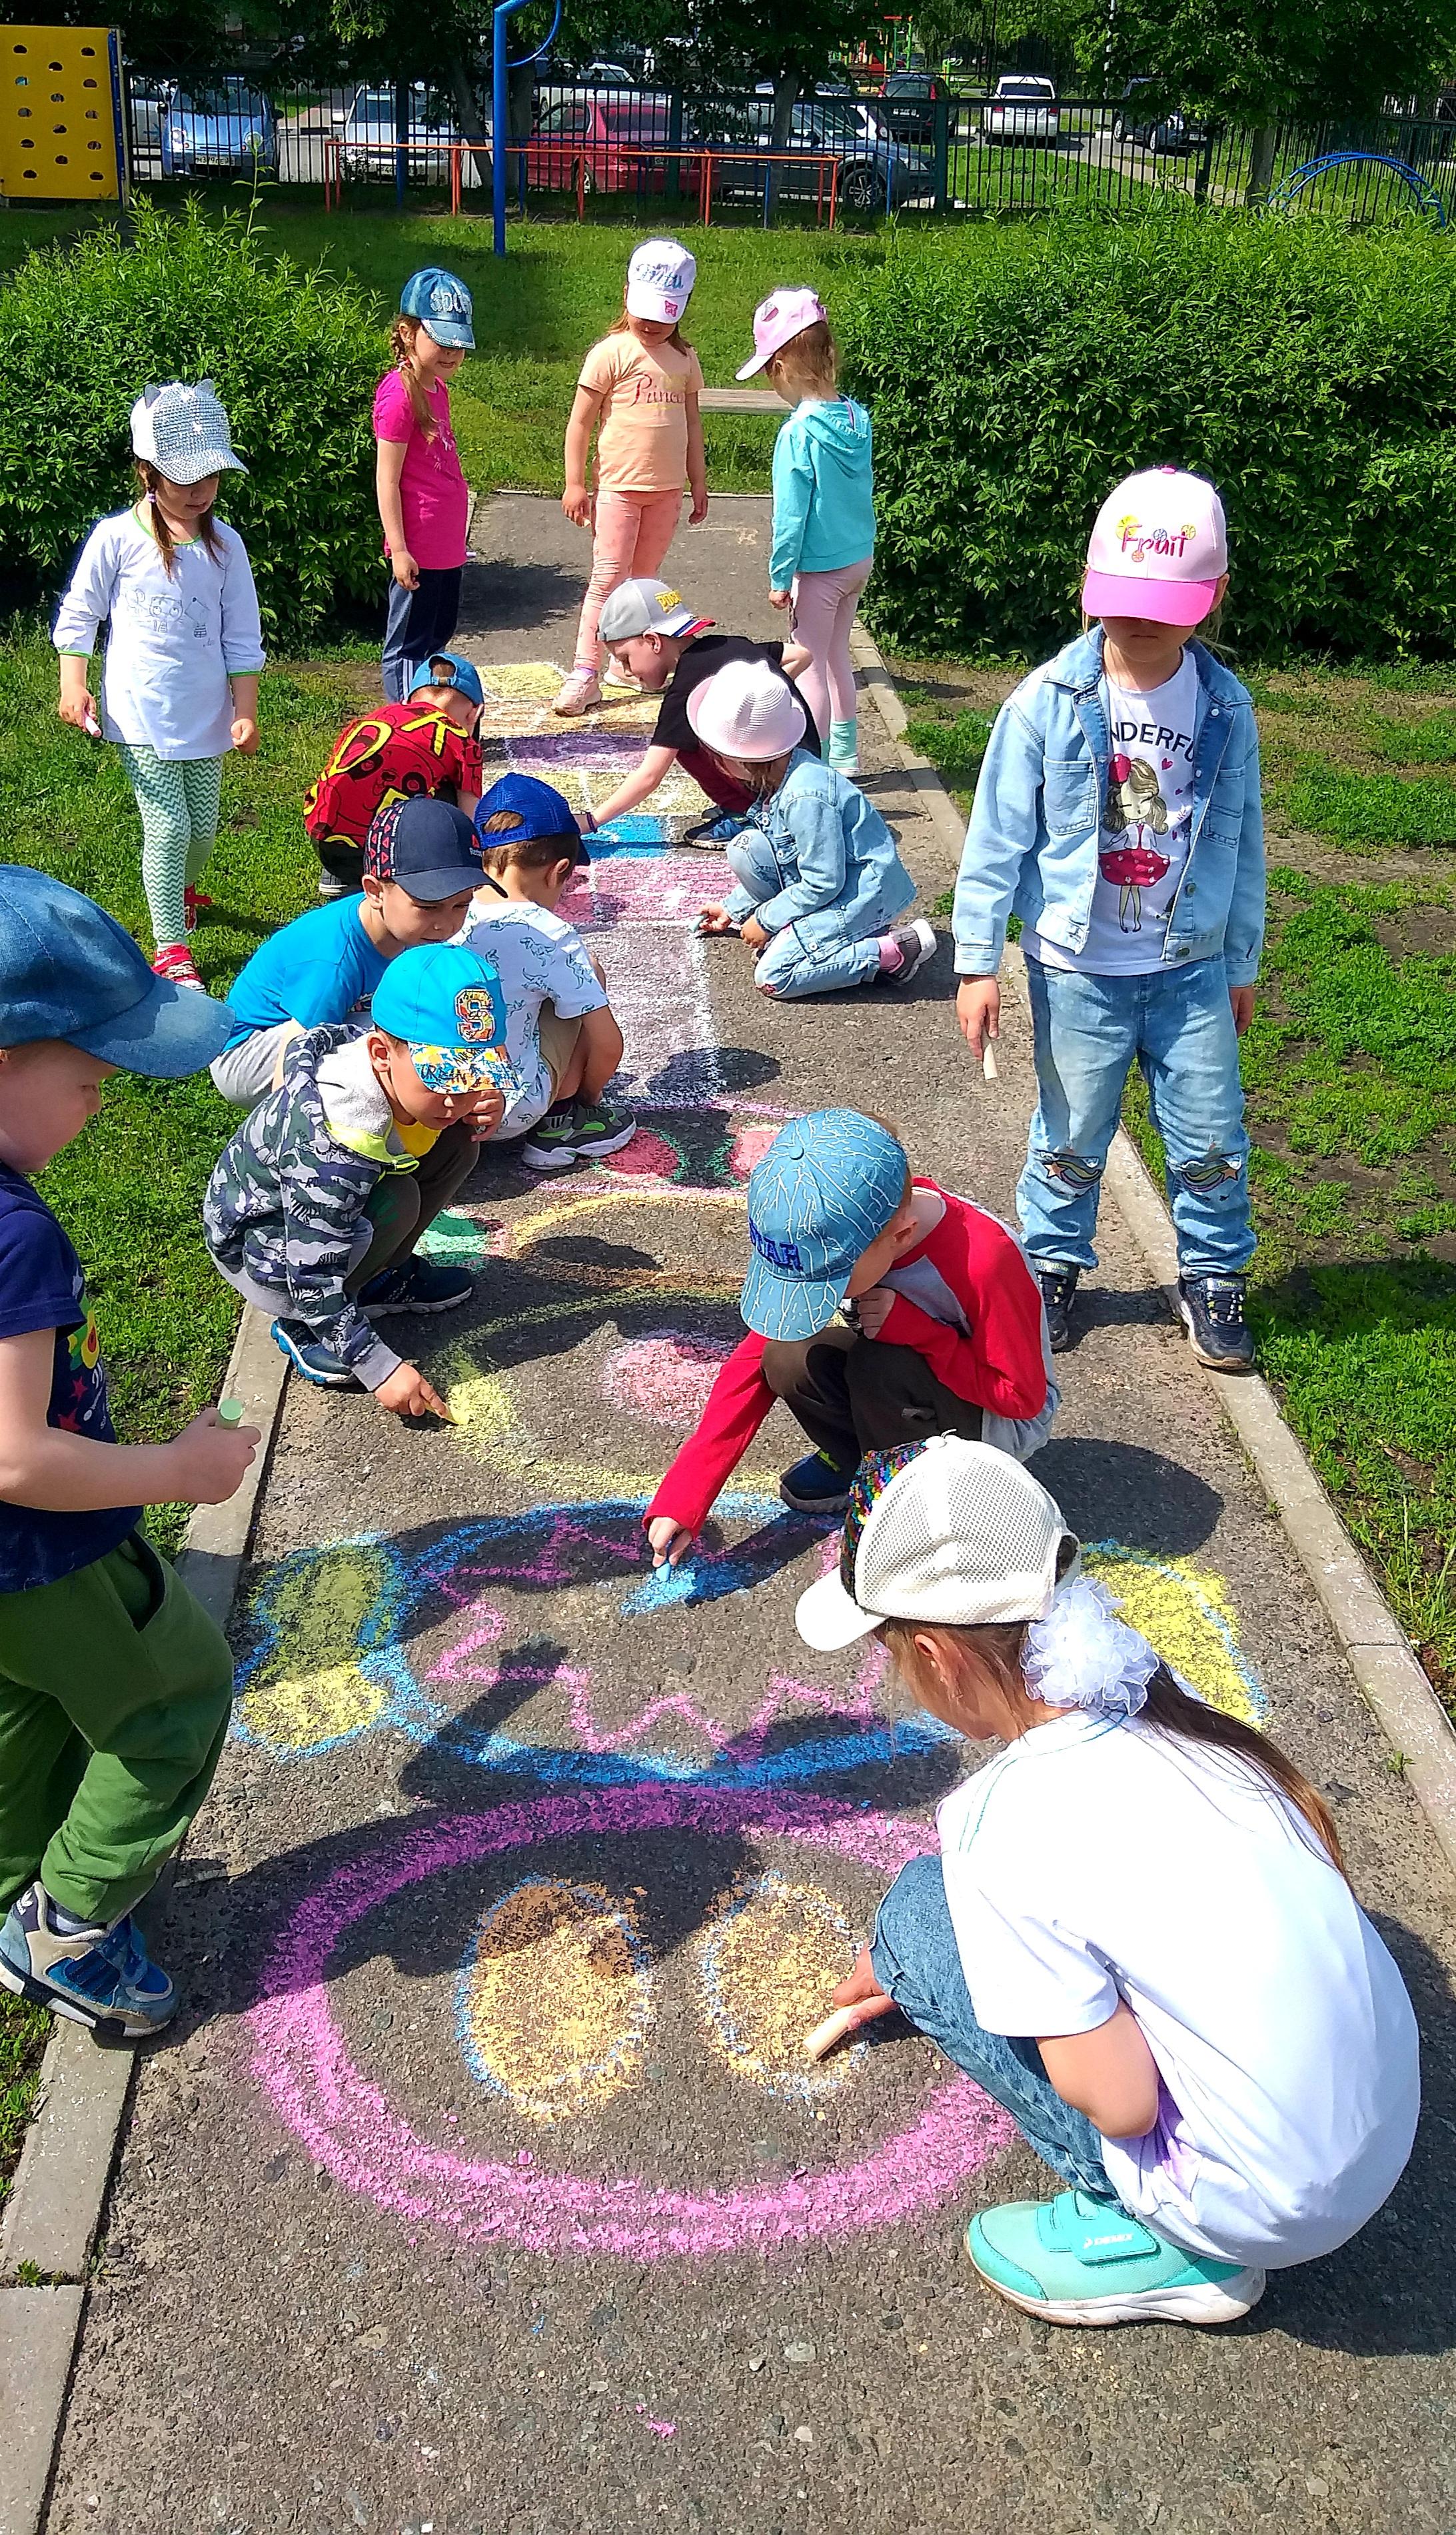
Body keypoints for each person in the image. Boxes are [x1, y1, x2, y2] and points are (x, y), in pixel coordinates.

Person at [797, 1435, 1419, 2330]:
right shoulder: (1155, 1695)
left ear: (935, 1655)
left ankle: (1169, 2251)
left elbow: (1121, 2106)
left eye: (895, 1658)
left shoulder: (998, 1821)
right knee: (952, 1915)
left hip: (1259, 2208)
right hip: (1382, 2127)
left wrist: (924, 1962)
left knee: (916, 1915)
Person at [0, 869, 259, 2037]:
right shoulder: (14, 1239)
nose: (100, 1103)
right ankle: (61, 1925)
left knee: (25, 1715)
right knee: (174, 1693)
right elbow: (16, 1457)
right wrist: (178, 1469)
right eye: (90, 1080)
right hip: (43, 1551)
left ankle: (15, 1880)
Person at [952, 465, 1264, 1369]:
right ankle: (1049, 1265)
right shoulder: (1047, 701)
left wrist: (1239, 959)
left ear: (1212, 597)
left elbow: (1240, 841)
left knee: (1210, 1133)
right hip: (1077, 968)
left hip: (1191, 968)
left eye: (1165, 602)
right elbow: (996, 836)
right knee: (1071, 1130)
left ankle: (1212, 1274)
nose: (1139, 619)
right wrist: (978, 962)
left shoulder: (1223, 707)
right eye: (1123, 598)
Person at [646, 1110, 1054, 1560]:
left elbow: (1021, 1399)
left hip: (997, 1423)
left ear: (901, 1235)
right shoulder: (847, 1226)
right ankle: (858, 1459)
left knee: (882, 1363)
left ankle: (919, 1506)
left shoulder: (984, 1259)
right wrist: (686, 1496)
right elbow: (751, 1365)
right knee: (789, 1352)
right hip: (924, 1389)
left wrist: (923, 1334)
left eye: (828, 1281)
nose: (817, 1291)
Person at [204, 941, 507, 1401]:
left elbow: (462, 1094)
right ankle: (302, 1326)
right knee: (398, 1200)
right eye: (444, 1079)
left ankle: (383, 1275)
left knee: (458, 1141)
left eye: (476, 1078)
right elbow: (311, 1270)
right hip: (266, 1249)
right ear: (382, 1053)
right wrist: (379, 1368)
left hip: (315, 1217)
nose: (457, 1098)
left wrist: (489, 1101)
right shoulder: (331, 1143)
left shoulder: (389, 1068)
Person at [54, 381, 265, 992]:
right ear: (148, 471)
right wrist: (75, 683)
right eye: (182, 476)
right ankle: (171, 948)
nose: (199, 490)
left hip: (205, 716)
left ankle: (180, 886)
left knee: (201, 831)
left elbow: (242, 636)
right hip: (139, 712)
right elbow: (80, 613)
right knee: (168, 828)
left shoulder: (227, 548)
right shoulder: (117, 539)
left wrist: (244, 710)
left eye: (210, 476)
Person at [209, 796, 484, 1108]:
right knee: (394, 1046)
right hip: (252, 1054)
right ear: (375, 891)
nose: (445, 924)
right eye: (427, 906)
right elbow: (294, 1056)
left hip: (334, 1022)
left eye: (462, 905)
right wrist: (286, 1135)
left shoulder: (409, 929)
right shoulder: (334, 960)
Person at [692, 660, 934, 998]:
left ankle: (892, 951)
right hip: (839, 883)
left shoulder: (806, 797)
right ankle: (810, 931)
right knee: (745, 847)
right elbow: (785, 856)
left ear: (742, 756)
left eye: (716, 754)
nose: (714, 763)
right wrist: (735, 909)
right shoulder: (780, 775)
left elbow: (823, 881)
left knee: (775, 976)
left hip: (861, 896)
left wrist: (766, 920)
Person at [554, 239, 707, 720]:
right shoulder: (611, 353)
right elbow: (580, 421)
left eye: (664, 316)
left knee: (643, 584)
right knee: (607, 578)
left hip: (665, 491)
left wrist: (697, 482)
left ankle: (626, 665)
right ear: (626, 294)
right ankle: (585, 671)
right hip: (619, 487)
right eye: (644, 312)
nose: (652, 324)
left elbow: (693, 424)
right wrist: (574, 482)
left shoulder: (684, 360)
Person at [464, 774, 636, 1170]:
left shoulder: (446, 910)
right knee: (584, 975)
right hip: (509, 1109)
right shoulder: (550, 934)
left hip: (438, 1097)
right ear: (558, 870)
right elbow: (609, 1045)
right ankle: (564, 1120)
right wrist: (589, 1098)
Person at [737, 287, 876, 776]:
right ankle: (846, 755)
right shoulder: (858, 417)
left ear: (779, 368)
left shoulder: (798, 433)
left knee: (810, 663)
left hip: (819, 567)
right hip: (858, 557)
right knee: (837, 655)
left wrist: (780, 577)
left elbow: (791, 514)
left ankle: (811, 766)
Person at [588, 576, 817, 846]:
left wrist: (590, 822)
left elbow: (650, 776)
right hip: (805, 767)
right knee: (710, 724)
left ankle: (748, 813)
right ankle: (755, 801)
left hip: (779, 787)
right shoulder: (728, 646)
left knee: (686, 739)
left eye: (625, 658)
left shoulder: (687, 685)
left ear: (653, 641)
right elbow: (801, 655)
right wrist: (765, 696)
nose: (626, 671)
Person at [304, 649, 486, 900]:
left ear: (407, 701)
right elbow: (469, 817)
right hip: (381, 855)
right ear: (474, 714)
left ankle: (336, 877)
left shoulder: (373, 719)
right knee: (448, 800)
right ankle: (410, 884)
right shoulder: (462, 741)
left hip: (325, 838)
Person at [374, 269, 474, 703]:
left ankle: (430, 718)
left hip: (446, 548)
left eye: (459, 345)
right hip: (417, 549)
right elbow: (388, 478)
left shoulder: (437, 388)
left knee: (438, 637)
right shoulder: (399, 395)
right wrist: (399, 549)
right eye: (442, 342)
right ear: (407, 333)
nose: (452, 354)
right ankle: (406, 724)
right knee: (409, 647)